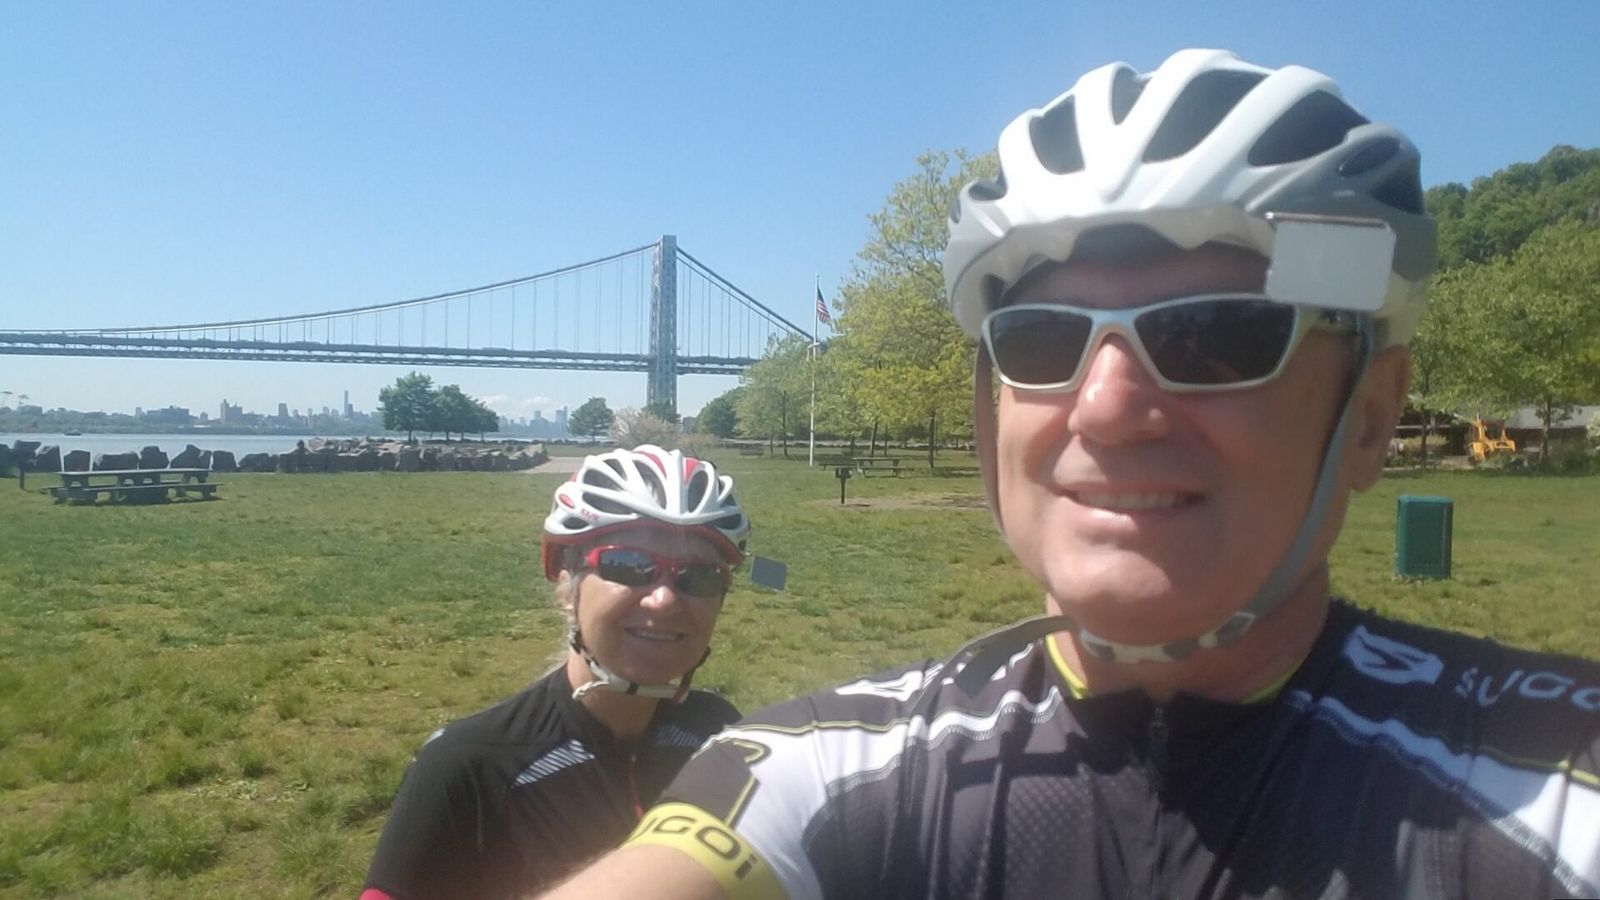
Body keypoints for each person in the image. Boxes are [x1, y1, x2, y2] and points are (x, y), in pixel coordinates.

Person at [539, 49, 1600, 899]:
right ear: (991, 408)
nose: (1106, 408)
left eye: (1215, 336)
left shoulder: (1551, 779)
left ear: (1366, 418)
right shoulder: (819, 768)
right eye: (1041, 340)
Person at [362, 444, 750, 899]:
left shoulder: (718, 731)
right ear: (567, 588)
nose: (664, 599)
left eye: (700, 576)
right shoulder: (470, 768)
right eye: (628, 565)